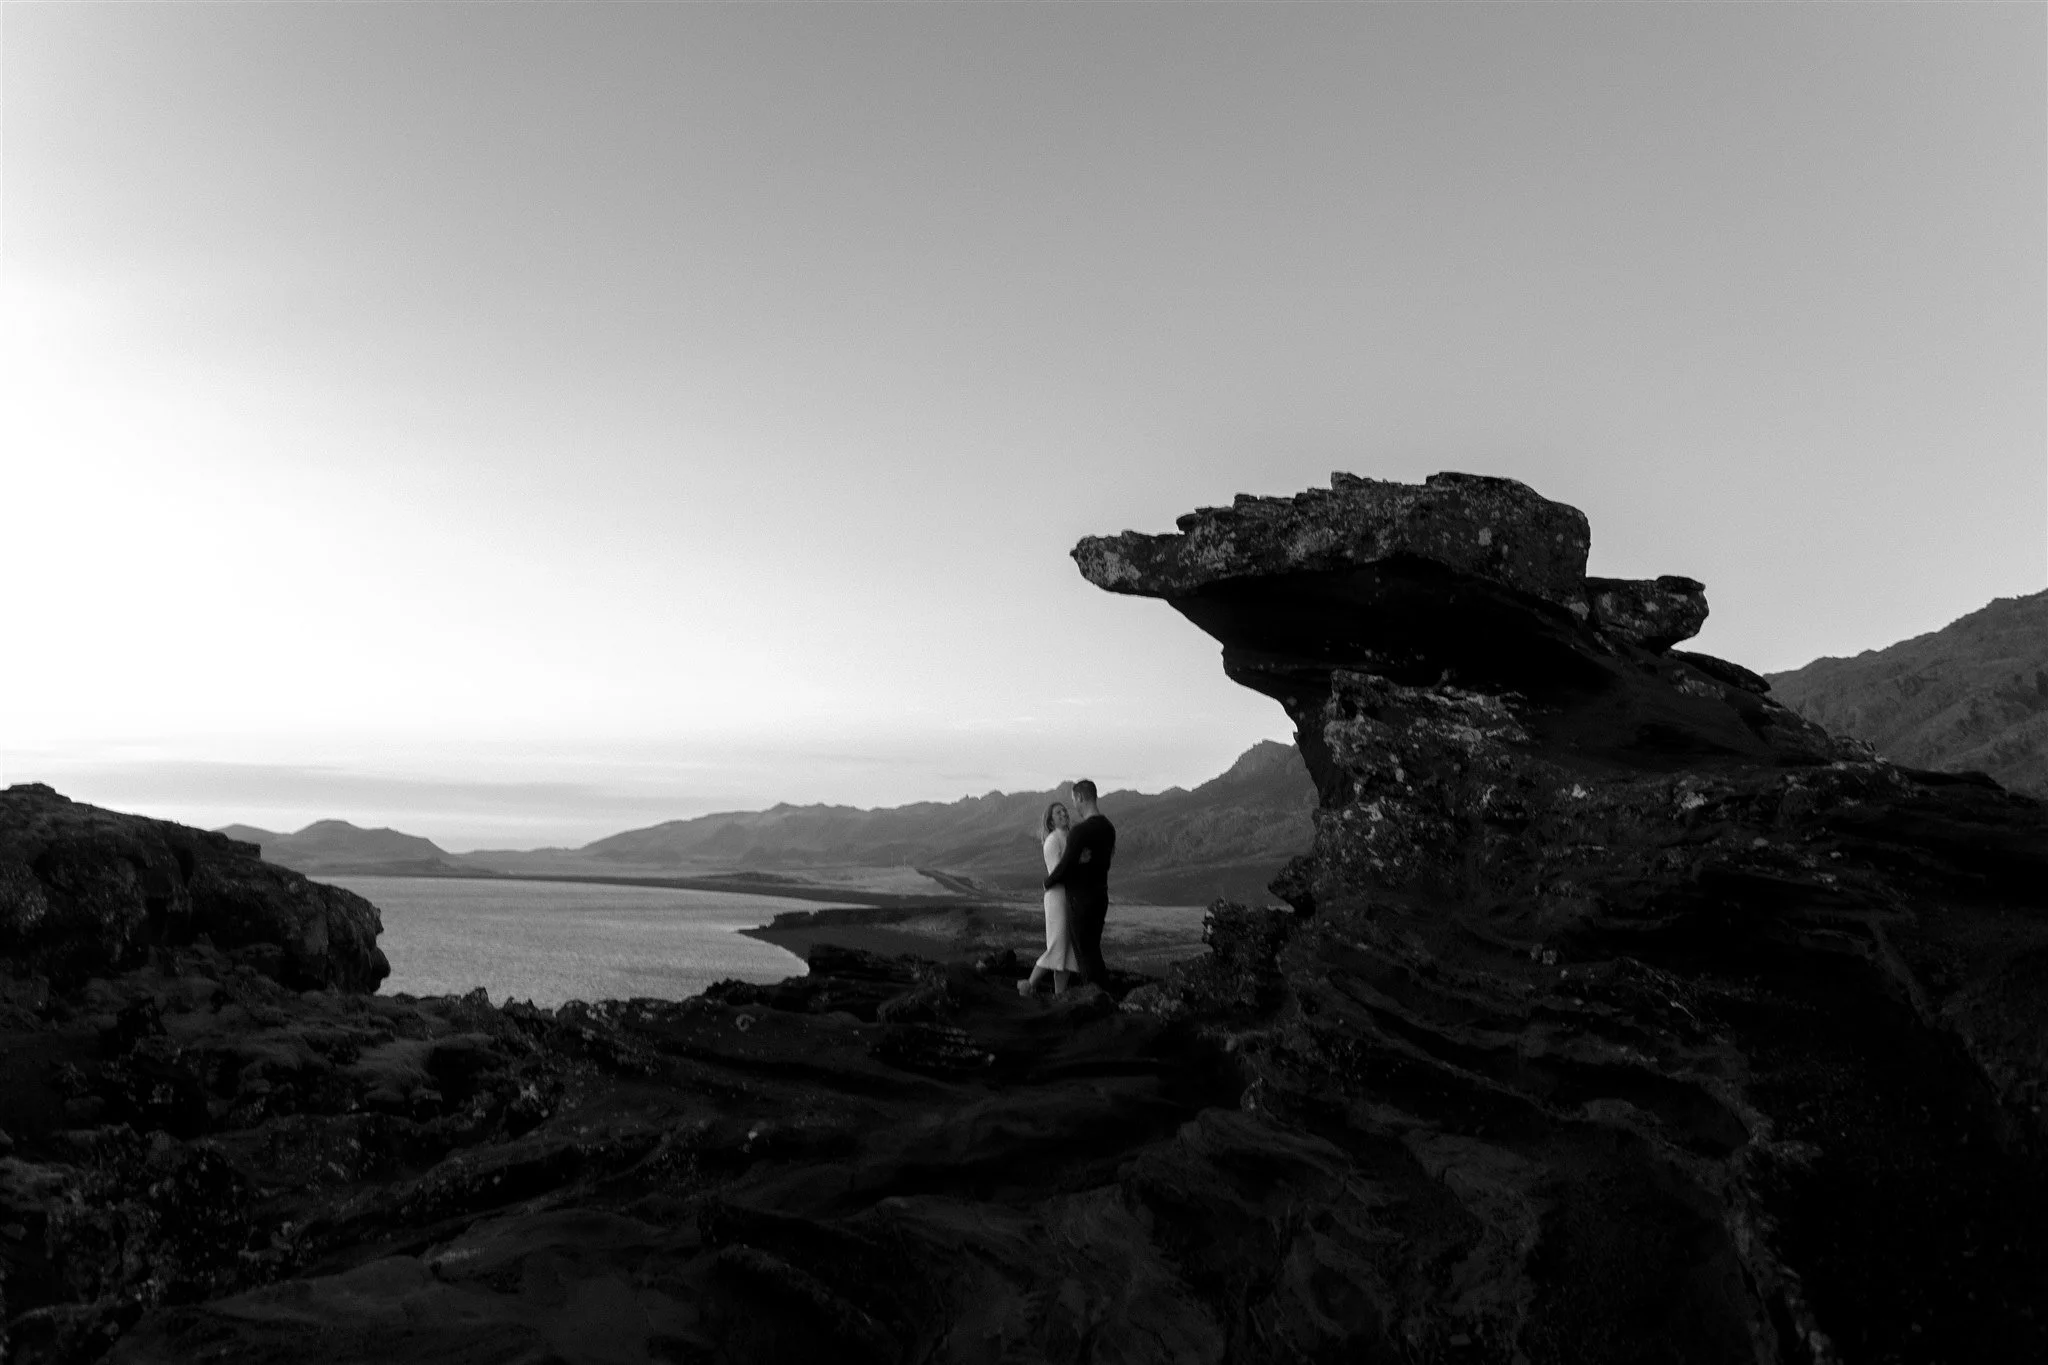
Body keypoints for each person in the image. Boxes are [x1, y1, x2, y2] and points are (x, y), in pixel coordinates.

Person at [1042, 779, 1114, 984]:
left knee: (1085, 954)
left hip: (1081, 899)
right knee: (1093, 950)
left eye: (1074, 800)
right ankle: (1102, 994)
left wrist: (1047, 883)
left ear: (1080, 797)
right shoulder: (1108, 828)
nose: (1074, 805)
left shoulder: (1080, 831)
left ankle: (1095, 997)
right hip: (1101, 895)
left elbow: (1065, 867)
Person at [1018, 802, 1080, 997]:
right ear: (1051, 821)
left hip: (1068, 896)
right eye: (1058, 813)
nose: (1063, 814)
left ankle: (1059, 994)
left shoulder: (1069, 838)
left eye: (1064, 811)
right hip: (1058, 897)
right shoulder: (1053, 841)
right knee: (1057, 946)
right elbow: (1058, 873)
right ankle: (1028, 985)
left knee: (1067, 952)